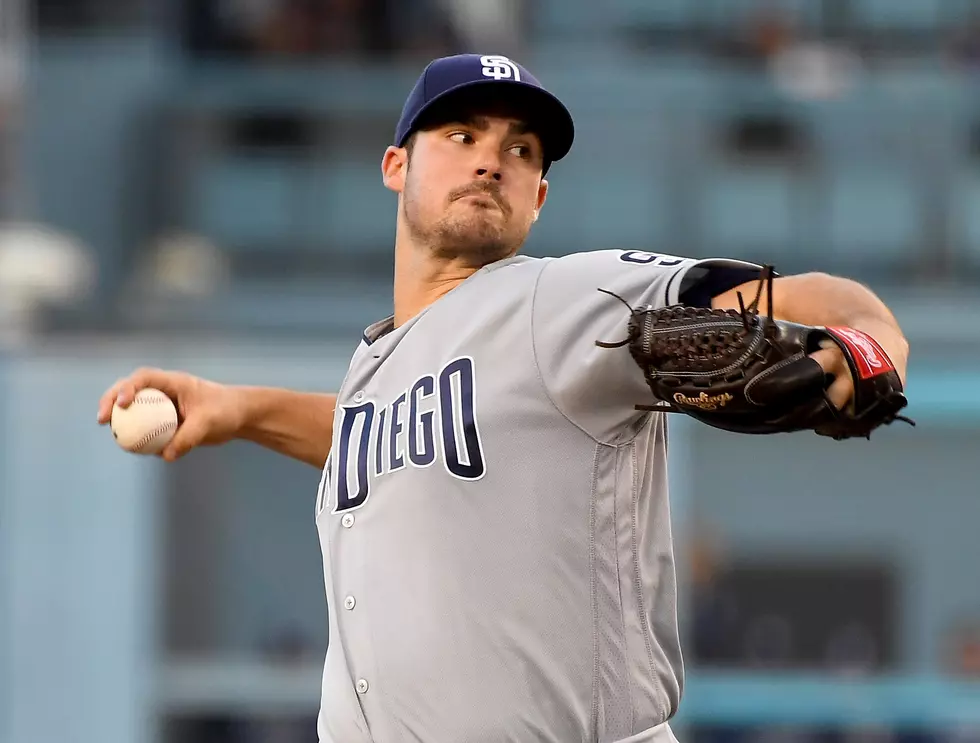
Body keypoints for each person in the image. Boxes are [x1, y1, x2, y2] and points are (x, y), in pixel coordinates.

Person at [97, 54, 909, 743]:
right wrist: (233, 408)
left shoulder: (563, 297)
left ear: (539, 199)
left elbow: (817, 298)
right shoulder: (380, 363)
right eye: (461, 136)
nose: (492, 159)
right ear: (395, 166)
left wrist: (870, 349)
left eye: (521, 149)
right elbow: (373, 436)